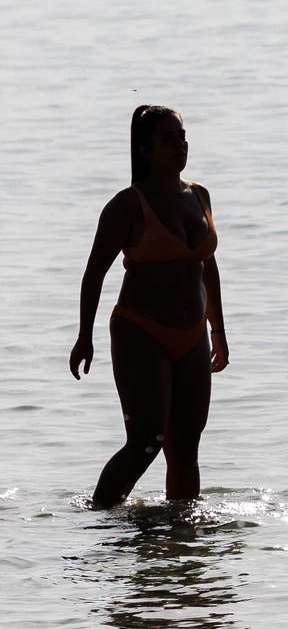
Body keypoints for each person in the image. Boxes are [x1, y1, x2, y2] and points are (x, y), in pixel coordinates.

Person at [70, 106, 229, 507]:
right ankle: (98, 518)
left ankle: (181, 542)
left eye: (182, 136)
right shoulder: (126, 205)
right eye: (168, 139)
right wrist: (83, 337)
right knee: (146, 442)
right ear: (144, 150)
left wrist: (218, 331)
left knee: (185, 447)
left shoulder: (199, 195)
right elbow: (94, 274)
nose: (180, 145)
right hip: (140, 330)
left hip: (191, 334)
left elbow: (206, 266)